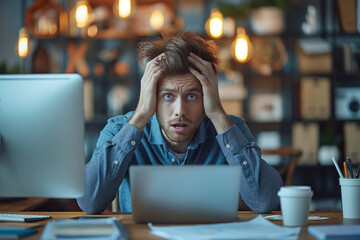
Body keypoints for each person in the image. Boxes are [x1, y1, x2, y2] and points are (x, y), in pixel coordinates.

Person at [77, 31, 283, 214]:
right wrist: (140, 114)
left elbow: (266, 201)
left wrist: (218, 114)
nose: (180, 111)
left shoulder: (231, 129)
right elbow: (89, 202)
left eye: (192, 96)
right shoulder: (118, 129)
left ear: (207, 96)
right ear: (152, 97)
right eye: (167, 96)